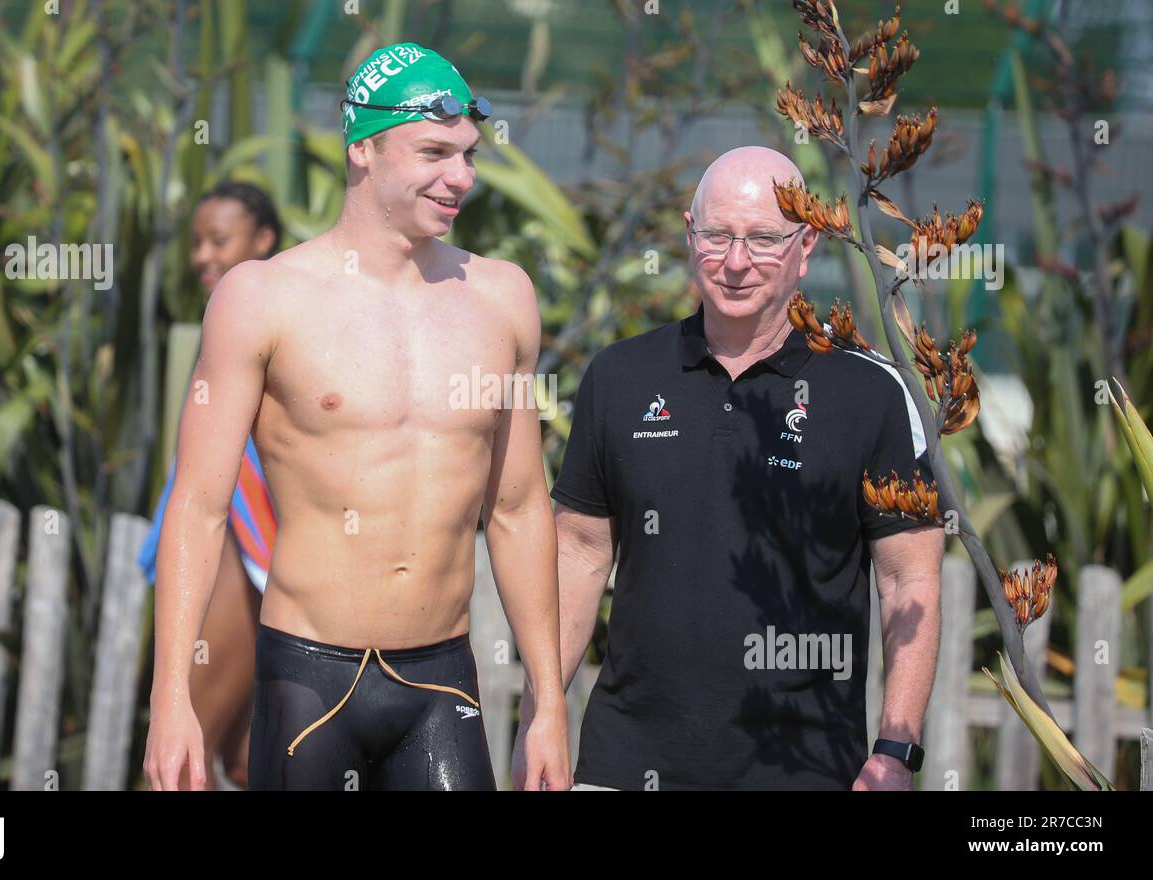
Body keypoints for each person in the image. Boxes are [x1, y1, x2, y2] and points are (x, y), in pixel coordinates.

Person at [143, 42, 570, 792]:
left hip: (443, 679)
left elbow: (518, 507)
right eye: (434, 152)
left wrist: (548, 704)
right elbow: (199, 504)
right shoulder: (263, 298)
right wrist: (171, 697)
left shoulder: (502, 299)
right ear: (363, 147)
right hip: (307, 676)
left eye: (468, 154)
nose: (461, 177)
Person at [515, 146, 943, 790]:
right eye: (717, 236)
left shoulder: (872, 393)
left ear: (807, 246)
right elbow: (576, 555)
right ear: (690, 236)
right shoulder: (620, 377)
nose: (736, 262)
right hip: (627, 765)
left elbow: (910, 583)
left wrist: (895, 748)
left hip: (805, 772)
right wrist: (540, 716)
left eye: (764, 239)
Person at [138, 181, 283, 790]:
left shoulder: (283, 312)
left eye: (218, 240)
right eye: (196, 243)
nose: (202, 255)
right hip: (227, 544)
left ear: (264, 240)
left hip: (246, 551)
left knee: (178, 769)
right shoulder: (225, 317)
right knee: (244, 764)